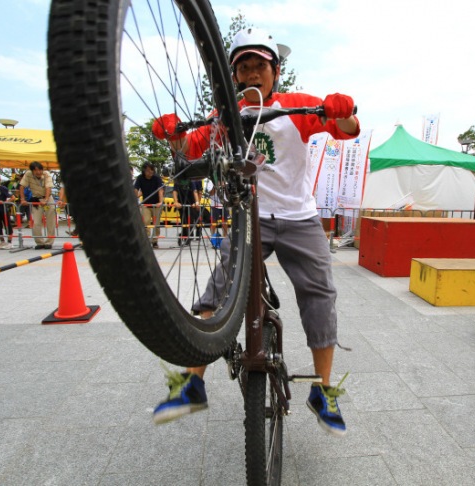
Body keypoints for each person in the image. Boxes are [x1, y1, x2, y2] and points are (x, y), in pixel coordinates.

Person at [150, 28, 360, 436]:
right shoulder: (225, 115)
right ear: (234, 77)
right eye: (243, 67)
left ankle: (324, 389)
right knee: (219, 289)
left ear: (274, 72)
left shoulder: (296, 105)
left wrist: (342, 109)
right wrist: (172, 132)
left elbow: (345, 128)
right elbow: (190, 147)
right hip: (251, 216)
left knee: (320, 293)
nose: (251, 74)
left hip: (300, 217)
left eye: (259, 66)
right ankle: (192, 383)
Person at [19, 161, 56, 250]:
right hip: (36, 199)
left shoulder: (46, 174)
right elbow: (21, 186)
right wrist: (23, 199)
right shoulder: (28, 174)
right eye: (36, 170)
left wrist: (46, 199)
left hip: (48, 198)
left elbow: (48, 187)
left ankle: (49, 242)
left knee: (50, 221)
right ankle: (39, 242)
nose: (38, 172)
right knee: (36, 222)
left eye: (40, 170)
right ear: (32, 171)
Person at [133, 162, 164, 248]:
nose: (150, 172)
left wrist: (160, 202)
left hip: (156, 204)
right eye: (147, 170)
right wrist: (134, 196)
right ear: (144, 171)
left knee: (156, 224)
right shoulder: (140, 178)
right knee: (146, 222)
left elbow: (160, 190)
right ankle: (146, 240)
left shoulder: (157, 178)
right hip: (146, 204)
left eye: (151, 170)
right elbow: (136, 189)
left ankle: (155, 241)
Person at [172, 178, 201, 246]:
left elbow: (195, 191)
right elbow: (174, 191)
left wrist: (197, 202)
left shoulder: (190, 181)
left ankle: (187, 237)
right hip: (181, 204)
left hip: (191, 204)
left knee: (190, 221)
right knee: (184, 222)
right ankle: (183, 236)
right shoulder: (177, 181)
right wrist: (176, 202)